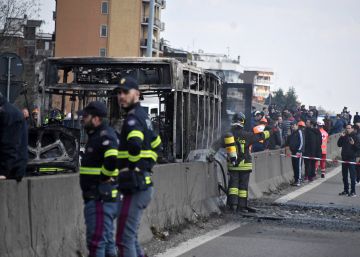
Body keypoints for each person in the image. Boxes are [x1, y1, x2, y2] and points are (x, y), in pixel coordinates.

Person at [115, 77, 162, 257]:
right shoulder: (144, 117)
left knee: (124, 239)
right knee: (131, 237)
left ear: (137, 94)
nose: (121, 96)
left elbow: (135, 144)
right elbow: (157, 143)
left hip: (135, 185)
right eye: (119, 93)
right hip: (142, 183)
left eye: (126, 92)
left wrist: (133, 167)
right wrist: (148, 163)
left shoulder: (133, 119)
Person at [208, 112, 271, 213]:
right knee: (243, 187)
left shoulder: (227, 135)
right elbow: (260, 137)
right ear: (243, 122)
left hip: (233, 165)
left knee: (233, 185)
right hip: (245, 165)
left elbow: (215, 145)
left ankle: (232, 205)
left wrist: (209, 156)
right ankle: (241, 206)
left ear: (232, 121)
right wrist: (271, 131)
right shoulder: (247, 135)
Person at [79, 101, 120, 257]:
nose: (83, 119)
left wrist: (104, 176)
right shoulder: (97, 135)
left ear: (96, 119)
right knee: (107, 240)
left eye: (86, 116)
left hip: (99, 196)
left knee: (96, 241)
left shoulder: (104, 135)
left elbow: (113, 158)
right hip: (100, 196)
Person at [0, 92, 28, 181]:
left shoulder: (8, 114)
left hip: (12, 170)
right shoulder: (8, 112)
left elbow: (9, 145)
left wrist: (3, 172)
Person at [337, 124, 360, 197]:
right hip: (344, 158)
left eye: (349, 128)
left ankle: (353, 191)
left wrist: (353, 144)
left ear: (352, 129)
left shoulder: (355, 137)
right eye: (346, 128)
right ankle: (346, 190)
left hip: (352, 158)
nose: (347, 129)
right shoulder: (344, 136)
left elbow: (358, 148)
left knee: (352, 176)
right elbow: (339, 145)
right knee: (344, 176)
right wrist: (341, 137)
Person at [287, 121, 305, 186]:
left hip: (298, 152)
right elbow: (289, 141)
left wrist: (299, 151)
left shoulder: (299, 132)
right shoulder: (292, 133)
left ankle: (299, 180)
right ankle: (295, 179)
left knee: (298, 166)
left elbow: (302, 142)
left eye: (293, 125)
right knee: (294, 166)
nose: (292, 127)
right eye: (291, 125)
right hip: (293, 152)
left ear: (297, 125)